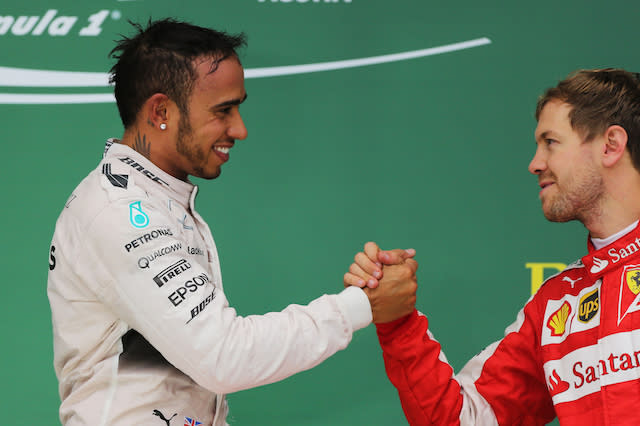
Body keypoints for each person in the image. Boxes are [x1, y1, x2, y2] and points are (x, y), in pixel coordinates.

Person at [46, 19, 417, 425]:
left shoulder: (152, 199)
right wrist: (363, 304)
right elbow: (221, 356)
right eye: (223, 110)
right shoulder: (120, 211)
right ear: (161, 111)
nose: (239, 129)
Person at [344, 68, 640, 425]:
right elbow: (463, 419)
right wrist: (397, 320)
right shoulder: (557, 304)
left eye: (550, 142)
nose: (535, 164)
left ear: (611, 145)